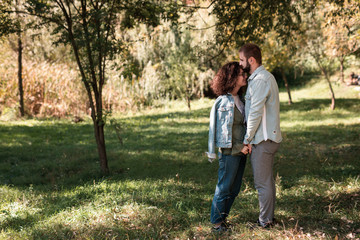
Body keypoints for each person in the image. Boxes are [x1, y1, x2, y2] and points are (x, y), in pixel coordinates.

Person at [238, 43, 282, 228]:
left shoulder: (261, 80)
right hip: (266, 138)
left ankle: (265, 222)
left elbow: (255, 113)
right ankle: (269, 218)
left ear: (251, 60)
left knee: (262, 183)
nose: (240, 64)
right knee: (267, 182)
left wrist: (247, 139)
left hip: (263, 140)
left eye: (241, 60)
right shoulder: (261, 77)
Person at [206, 62, 249, 232]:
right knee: (224, 187)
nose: (245, 76)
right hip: (230, 152)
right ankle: (216, 224)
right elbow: (216, 129)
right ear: (232, 78)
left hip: (242, 151)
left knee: (235, 189)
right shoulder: (222, 102)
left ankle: (222, 220)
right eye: (241, 74)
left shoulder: (243, 99)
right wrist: (211, 151)